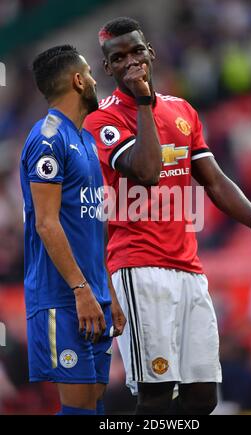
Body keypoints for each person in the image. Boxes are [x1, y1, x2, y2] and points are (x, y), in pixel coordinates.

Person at [84, 17, 251, 415]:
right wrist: (144, 101)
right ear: (107, 68)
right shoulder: (101, 120)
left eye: (136, 51)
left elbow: (213, 180)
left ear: (151, 53)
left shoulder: (182, 110)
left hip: (189, 268)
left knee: (203, 395)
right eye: (119, 57)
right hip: (138, 268)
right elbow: (146, 171)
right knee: (156, 394)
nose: (131, 62)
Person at [20, 45, 126, 416]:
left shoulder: (85, 139)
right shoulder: (48, 137)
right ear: (78, 80)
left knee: (94, 403)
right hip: (62, 297)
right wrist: (81, 291)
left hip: (93, 295)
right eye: (91, 74)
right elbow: (46, 222)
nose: (97, 81)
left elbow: (92, 224)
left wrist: (106, 291)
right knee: (79, 408)